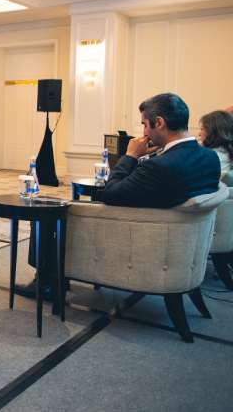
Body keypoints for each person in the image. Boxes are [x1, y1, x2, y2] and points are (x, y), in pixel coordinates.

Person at [19, 93, 222, 302]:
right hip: (175, 240)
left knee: (48, 211)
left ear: (159, 123)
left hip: (136, 235)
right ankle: (54, 276)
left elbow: (110, 194)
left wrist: (130, 155)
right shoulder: (209, 157)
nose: (144, 132)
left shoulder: (162, 166)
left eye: (145, 125)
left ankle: (45, 283)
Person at [198, 109, 233, 180]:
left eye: (202, 129)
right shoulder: (226, 152)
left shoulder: (211, 157)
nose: (199, 133)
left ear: (213, 132)